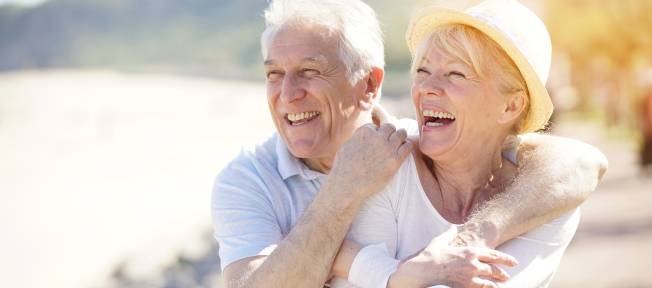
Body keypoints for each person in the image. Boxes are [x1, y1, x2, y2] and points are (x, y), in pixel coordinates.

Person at [211, 1, 608, 287]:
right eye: (273, 74)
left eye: (309, 72)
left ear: (370, 85)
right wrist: (341, 193)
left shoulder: (407, 156)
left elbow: (579, 161)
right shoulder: (247, 179)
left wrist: (464, 240)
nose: (287, 93)